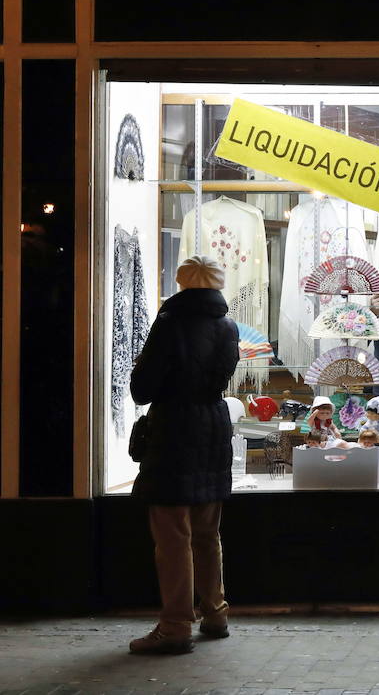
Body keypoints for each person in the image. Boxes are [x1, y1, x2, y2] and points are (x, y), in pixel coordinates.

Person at [128, 256, 240, 655]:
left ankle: (176, 624)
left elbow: (143, 388)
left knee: (173, 534)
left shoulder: (169, 323)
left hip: (174, 429)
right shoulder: (228, 326)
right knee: (208, 531)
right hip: (213, 425)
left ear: (181, 282)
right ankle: (215, 611)